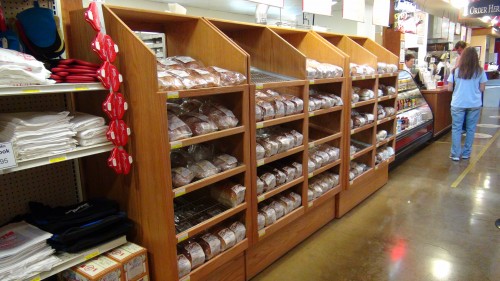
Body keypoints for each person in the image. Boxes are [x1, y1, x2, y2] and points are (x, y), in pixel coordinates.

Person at [447, 47, 488, 161]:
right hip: (474, 103)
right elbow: (482, 88)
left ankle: (455, 154)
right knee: (470, 129)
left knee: (456, 128)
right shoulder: (480, 71)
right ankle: (466, 153)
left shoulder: (456, 71)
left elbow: (450, 88)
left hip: (458, 103)